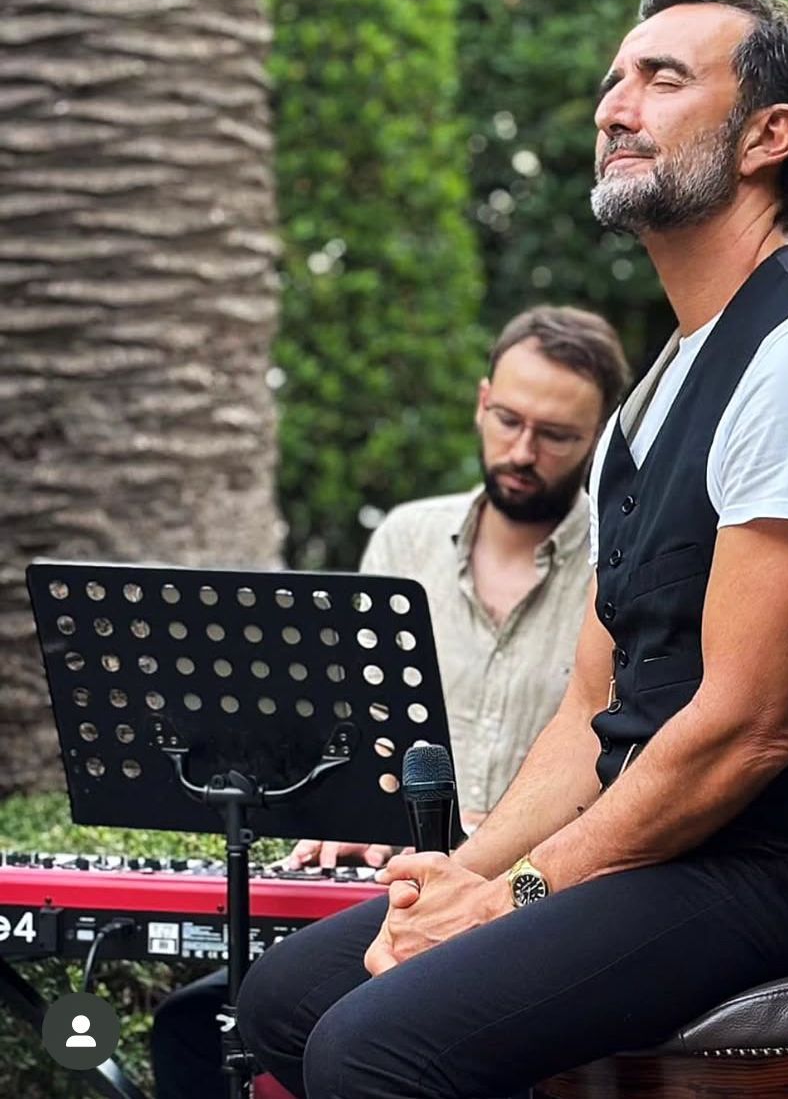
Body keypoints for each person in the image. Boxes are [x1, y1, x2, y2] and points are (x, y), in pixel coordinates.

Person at [237, 0, 788, 1098]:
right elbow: (589, 707)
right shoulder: (655, 391)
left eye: (663, 78)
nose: (617, 105)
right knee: (286, 997)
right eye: (613, 80)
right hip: (671, 852)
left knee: (368, 1046)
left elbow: (744, 730)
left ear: (771, 134)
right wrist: (459, 873)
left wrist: (517, 896)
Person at [149, 305, 630, 1099]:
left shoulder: (620, 563)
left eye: (556, 436)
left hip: (527, 897)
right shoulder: (405, 539)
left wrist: (487, 846)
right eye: (507, 420)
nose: (520, 452)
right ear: (481, 401)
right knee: (199, 1027)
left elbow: (615, 768)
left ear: (599, 434)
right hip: (396, 887)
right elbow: (354, 736)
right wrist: (347, 818)